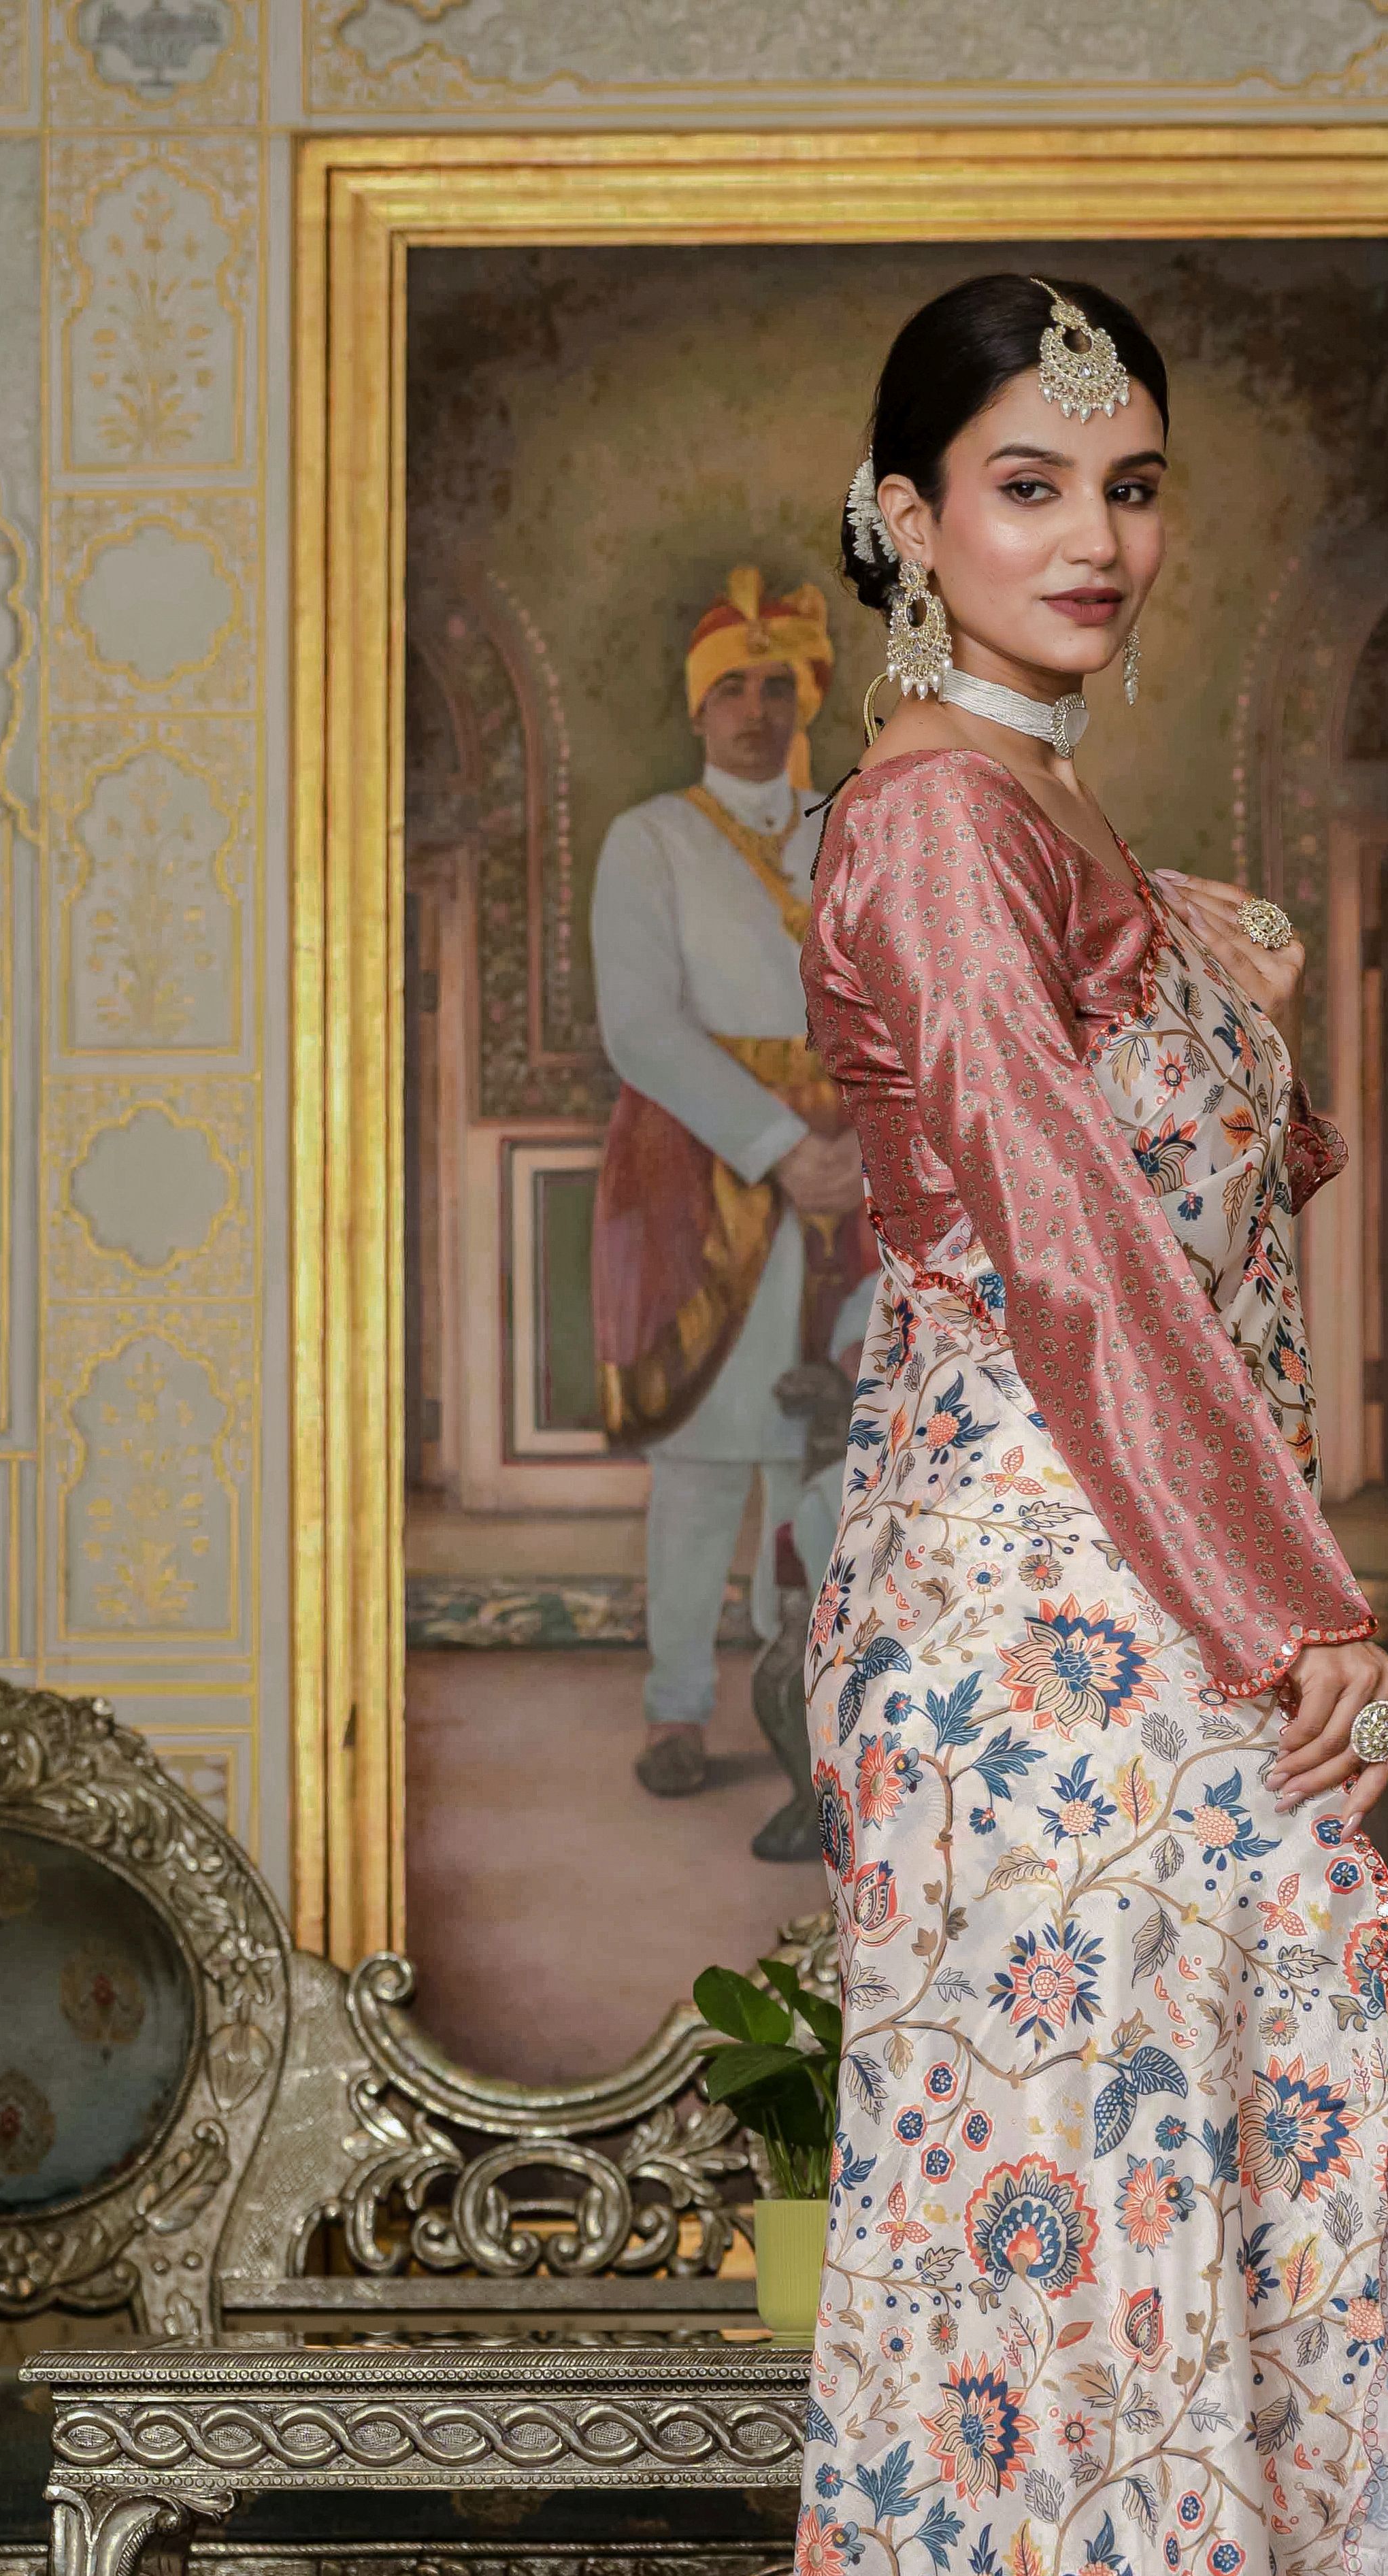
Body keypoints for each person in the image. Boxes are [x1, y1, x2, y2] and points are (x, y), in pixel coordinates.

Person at [640, 272, 1388, 2576]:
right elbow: (1072, 1245)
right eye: (1026, 483)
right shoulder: (926, 828)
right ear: (902, 517)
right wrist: (1287, 1609)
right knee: (1067, 2257)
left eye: (1128, 487)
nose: (1093, 537)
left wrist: (1252, 1599)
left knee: (1164, 2231)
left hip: (1130, 1569)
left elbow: (1187, 1218)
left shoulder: (1042, 817)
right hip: (1046, 1600)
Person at [589, 566, 872, 1806]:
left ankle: (809, 1712)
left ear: (804, 698)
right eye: (732, 690)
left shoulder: (850, 828)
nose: (755, 711)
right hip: (701, 1165)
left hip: (858, 1166)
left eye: (776, 686)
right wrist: (777, 1144)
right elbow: (642, 1027)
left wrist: (861, 1145)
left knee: (823, 1456)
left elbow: (899, 1000)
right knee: (708, 1456)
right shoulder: (650, 839)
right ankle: (679, 1706)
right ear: (696, 709)